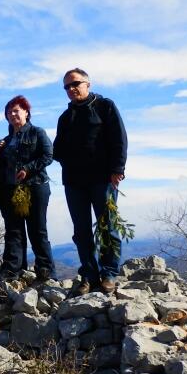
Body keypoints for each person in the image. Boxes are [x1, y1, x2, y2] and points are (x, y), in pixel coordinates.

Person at [53, 68, 128, 295]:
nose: (71, 89)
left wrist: (117, 169)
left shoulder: (105, 107)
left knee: (107, 226)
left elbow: (119, 138)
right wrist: (69, 159)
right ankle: (88, 274)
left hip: (103, 178)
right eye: (67, 87)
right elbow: (57, 150)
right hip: (74, 182)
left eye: (75, 83)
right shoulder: (65, 118)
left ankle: (109, 273)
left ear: (88, 83)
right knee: (81, 231)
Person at [0, 96, 56, 280]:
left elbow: (48, 155)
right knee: (13, 230)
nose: (12, 114)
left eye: (16, 110)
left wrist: (28, 169)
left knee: (37, 229)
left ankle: (46, 271)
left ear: (26, 112)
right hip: (10, 190)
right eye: (9, 112)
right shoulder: (5, 141)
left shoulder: (37, 132)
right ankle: (13, 268)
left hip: (36, 186)